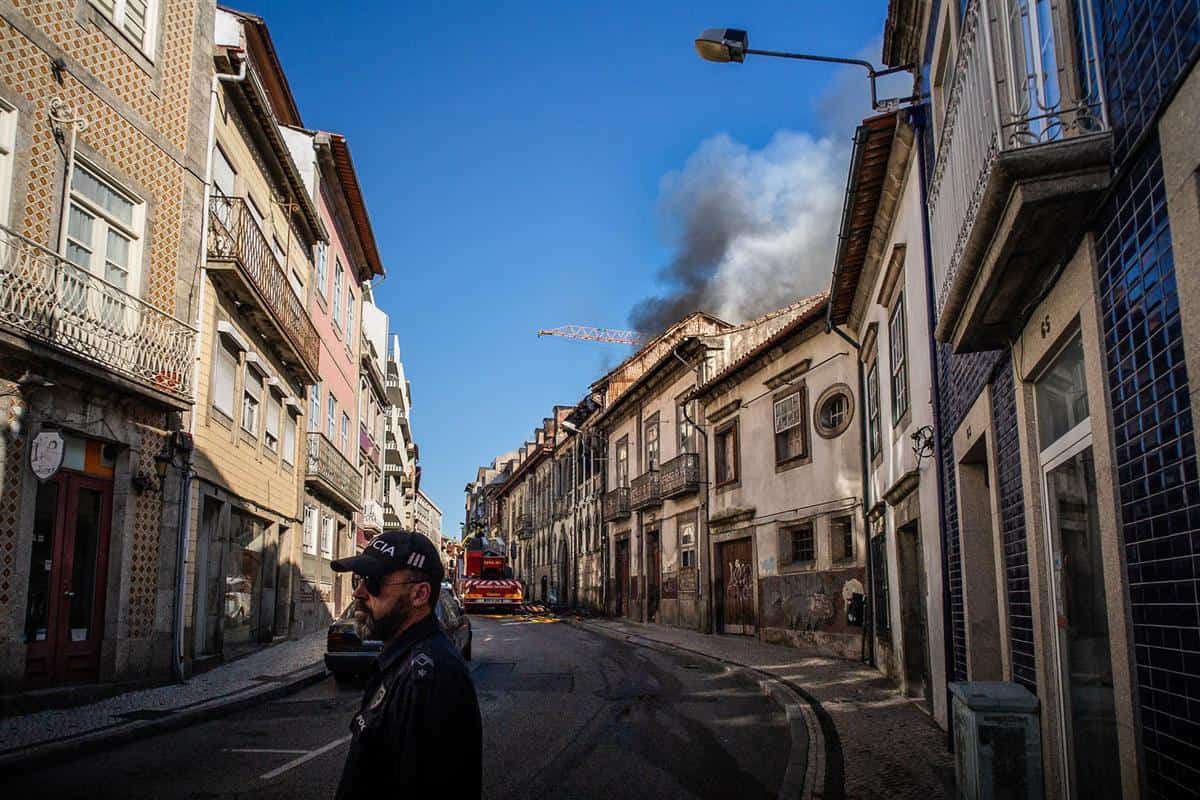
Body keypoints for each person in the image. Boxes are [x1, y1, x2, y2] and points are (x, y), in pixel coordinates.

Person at [331, 530, 482, 798]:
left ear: (419, 594)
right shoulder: (399, 661)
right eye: (359, 579)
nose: (358, 592)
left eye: (373, 582)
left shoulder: (430, 678)